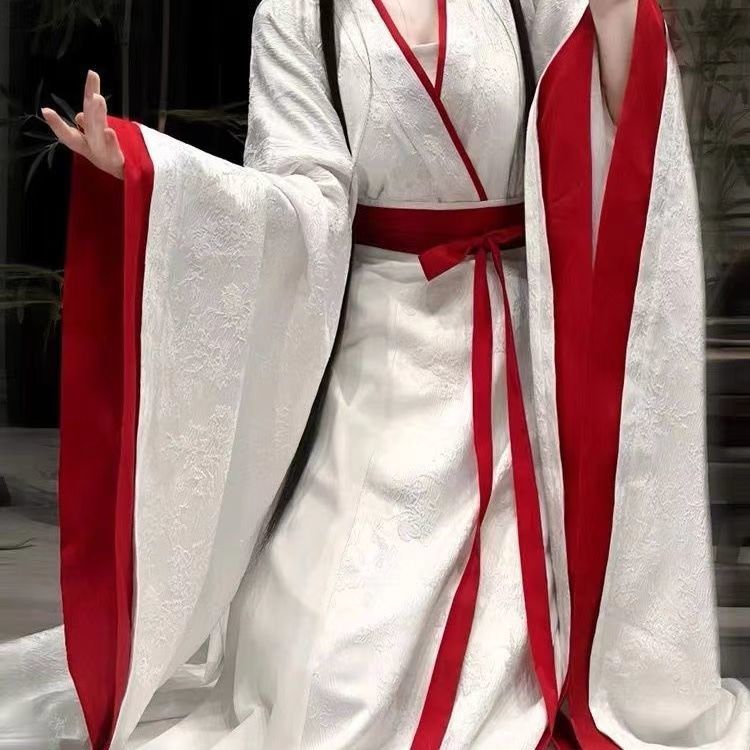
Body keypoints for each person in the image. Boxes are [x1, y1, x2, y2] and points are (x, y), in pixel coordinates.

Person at [1, 0, 748, 747]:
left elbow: (614, 124)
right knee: (336, 680)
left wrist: (618, 15)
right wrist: (156, 170)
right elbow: (300, 199)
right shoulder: (298, 15)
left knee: (517, 623)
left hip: (517, 347)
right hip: (381, 336)